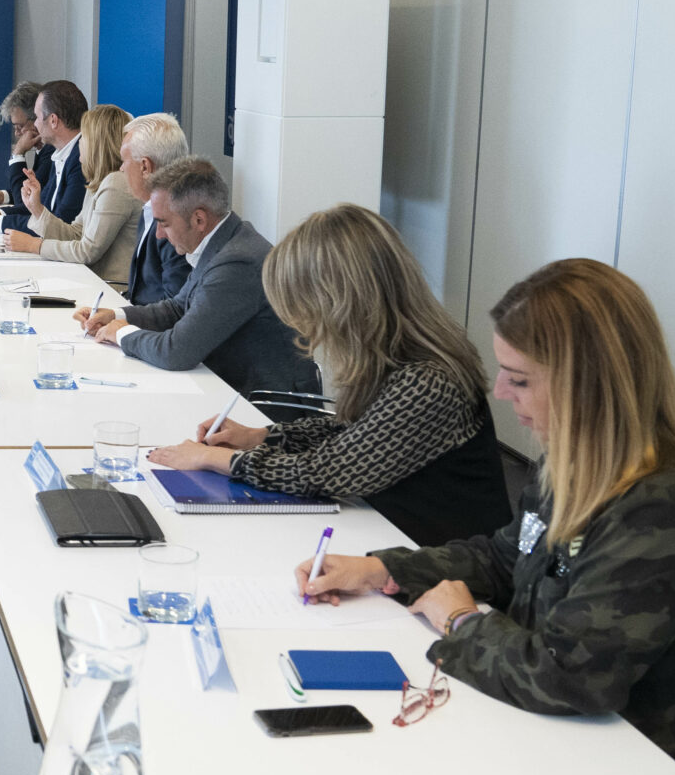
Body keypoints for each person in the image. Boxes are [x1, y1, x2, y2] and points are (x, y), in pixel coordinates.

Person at [298, 259, 675, 775]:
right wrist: (384, 570)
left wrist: (461, 623)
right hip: (581, 736)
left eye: (521, 379)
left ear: (587, 384)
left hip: (664, 761)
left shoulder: (663, 506)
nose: (501, 391)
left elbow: (572, 677)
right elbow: (506, 558)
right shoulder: (577, 457)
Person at [145, 204, 511, 545]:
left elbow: (327, 472)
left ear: (340, 301)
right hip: (391, 537)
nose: (305, 325)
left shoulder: (430, 381)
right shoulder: (396, 358)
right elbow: (353, 432)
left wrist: (214, 459)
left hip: (434, 560)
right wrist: (261, 437)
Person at [76, 157, 316, 399]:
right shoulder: (225, 240)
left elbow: (177, 351)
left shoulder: (237, 261)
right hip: (228, 388)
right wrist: (116, 316)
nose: (159, 235)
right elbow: (177, 308)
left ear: (199, 220)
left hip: (261, 404)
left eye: (164, 223)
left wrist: (122, 333)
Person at [1, 104, 139, 288]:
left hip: (108, 290)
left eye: (84, 137)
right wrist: (37, 209)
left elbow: (87, 251)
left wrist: (34, 245)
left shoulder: (116, 183)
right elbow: (75, 234)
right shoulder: (99, 181)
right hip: (89, 282)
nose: (79, 143)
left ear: (96, 143)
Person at [0, 80, 86, 236]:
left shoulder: (81, 159)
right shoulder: (63, 153)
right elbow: (42, 208)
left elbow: (59, 224)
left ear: (53, 120)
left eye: (37, 117)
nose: (36, 124)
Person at [115, 113, 193, 305]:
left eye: (124, 161)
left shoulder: (177, 221)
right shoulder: (149, 209)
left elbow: (174, 307)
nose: (121, 169)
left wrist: (124, 318)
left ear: (145, 167)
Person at [0, 81, 45, 201]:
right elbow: (31, 193)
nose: (16, 133)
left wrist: (17, 153)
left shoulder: (52, 152)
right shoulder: (42, 149)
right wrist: (2, 196)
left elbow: (26, 202)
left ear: (37, 118)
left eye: (20, 126)